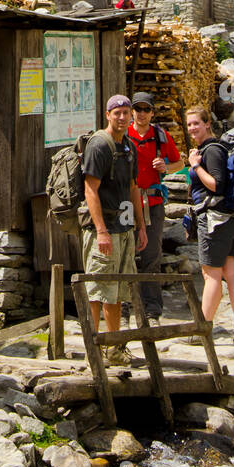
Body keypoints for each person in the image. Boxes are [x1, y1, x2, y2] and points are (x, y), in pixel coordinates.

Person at [81, 95, 147, 365]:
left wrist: (140, 227)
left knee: (118, 290)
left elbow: (133, 188)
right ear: (107, 115)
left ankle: (115, 348)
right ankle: (93, 348)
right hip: (103, 229)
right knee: (96, 288)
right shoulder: (99, 146)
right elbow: (90, 189)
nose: (122, 117)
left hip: (124, 227)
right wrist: (102, 231)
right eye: (117, 112)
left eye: (126, 112)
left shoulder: (129, 147)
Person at [185, 107, 234, 345]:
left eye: (196, 124)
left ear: (207, 124)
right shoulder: (214, 149)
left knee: (211, 274)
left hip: (214, 219)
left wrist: (195, 166)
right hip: (229, 219)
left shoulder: (211, 151)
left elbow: (216, 184)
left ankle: (201, 329)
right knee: (231, 272)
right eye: (189, 124)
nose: (192, 128)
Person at [124, 91, 184, 323]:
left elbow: (180, 162)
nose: (141, 114)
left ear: (152, 112)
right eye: (137, 109)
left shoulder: (160, 136)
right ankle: (127, 305)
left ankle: (152, 309)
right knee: (126, 253)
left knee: (151, 255)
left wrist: (165, 168)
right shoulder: (122, 134)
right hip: (126, 204)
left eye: (145, 109)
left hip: (153, 202)